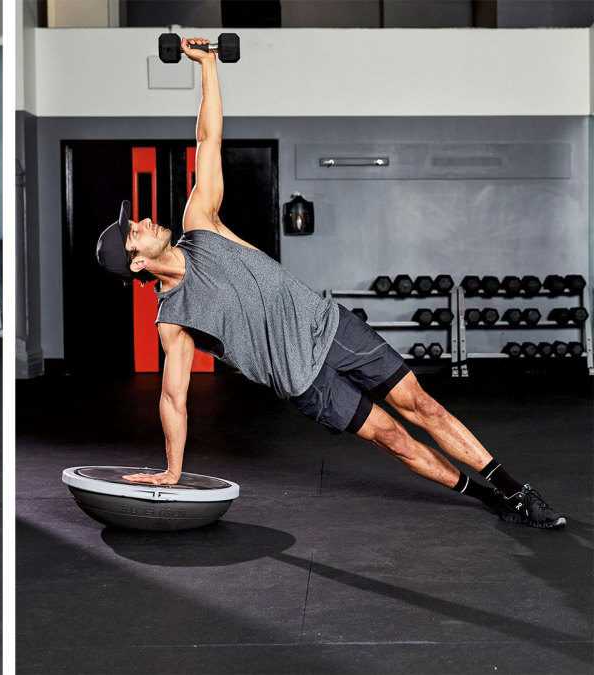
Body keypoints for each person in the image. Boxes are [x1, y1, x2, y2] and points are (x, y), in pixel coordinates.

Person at [93, 37, 563, 529]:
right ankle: (487, 498)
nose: (143, 221)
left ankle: (513, 489)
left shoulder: (201, 225)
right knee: (393, 439)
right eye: (133, 231)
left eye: (135, 220)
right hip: (305, 382)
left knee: (423, 405)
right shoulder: (174, 319)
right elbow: (174, 398)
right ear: (137, 265)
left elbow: (208, 139)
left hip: (332, 328)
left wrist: (208, 65)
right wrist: (173, 471)